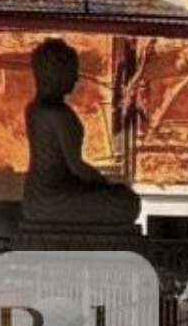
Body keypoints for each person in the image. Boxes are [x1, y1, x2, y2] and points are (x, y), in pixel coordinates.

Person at [20, 38, 140, 227]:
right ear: (55, 73)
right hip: (53, 201)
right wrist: (104, 183)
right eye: (72, 71)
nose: (76, 78)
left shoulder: (33, 109)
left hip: (34, 200)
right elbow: (76, 166)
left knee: (119, 197)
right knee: (127, 202)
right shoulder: (58, 114)